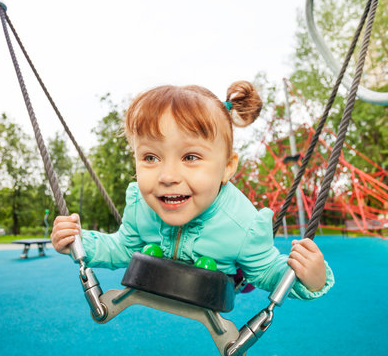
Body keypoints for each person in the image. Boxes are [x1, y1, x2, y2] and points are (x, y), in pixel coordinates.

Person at [51, 81, 334, 299]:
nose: (168, 176)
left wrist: (311, 278)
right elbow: (123, 248)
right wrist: (79, 241)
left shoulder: (242, 224)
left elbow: (269, 271)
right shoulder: (141, 205)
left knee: (247, 272)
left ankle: (239, 275)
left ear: (227, 167)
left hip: (228, 278)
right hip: (164, 271)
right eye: (150, 158)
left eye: (190, 157)